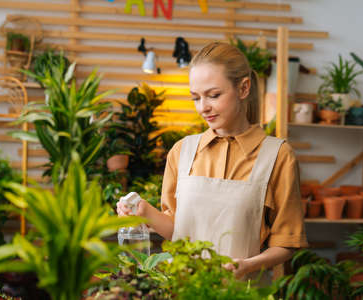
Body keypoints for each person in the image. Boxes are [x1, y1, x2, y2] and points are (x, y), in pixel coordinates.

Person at [117, 42, 308, 280]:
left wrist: (248, 265)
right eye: (196, 98)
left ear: (244, 88)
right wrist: (144, 211)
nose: (203, 107)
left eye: (214, 95)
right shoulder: (181, 151)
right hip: (184, 290)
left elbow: (287, 242)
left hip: (242, 293)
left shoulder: (278, 155)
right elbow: (178, 232)